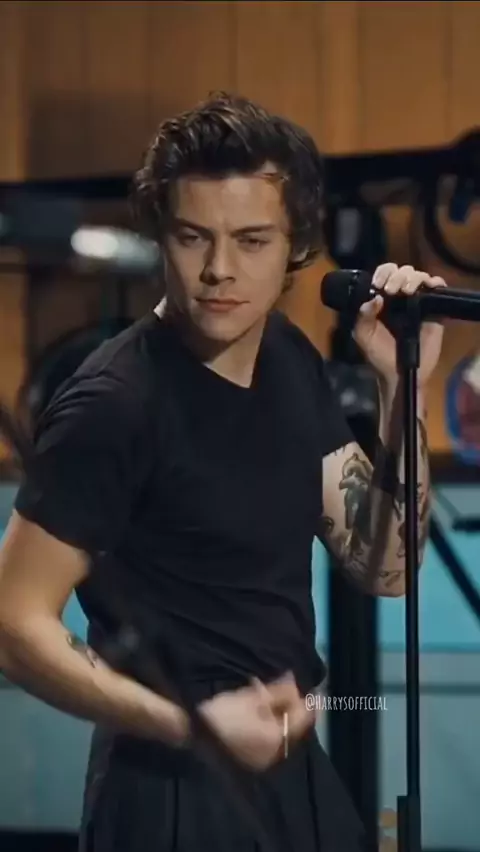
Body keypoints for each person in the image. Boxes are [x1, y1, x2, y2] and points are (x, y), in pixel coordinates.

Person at [0, 92, 445, 852]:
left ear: (295, 247)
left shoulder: (288, 357)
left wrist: (402, 388)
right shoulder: (113, 404)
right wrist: (192, 726)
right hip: (168, 784)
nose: (217, 270)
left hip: (293, 768)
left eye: (251, 240)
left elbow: (386, 567)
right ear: (161, 235)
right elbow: (13, 626)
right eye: (192, 237)